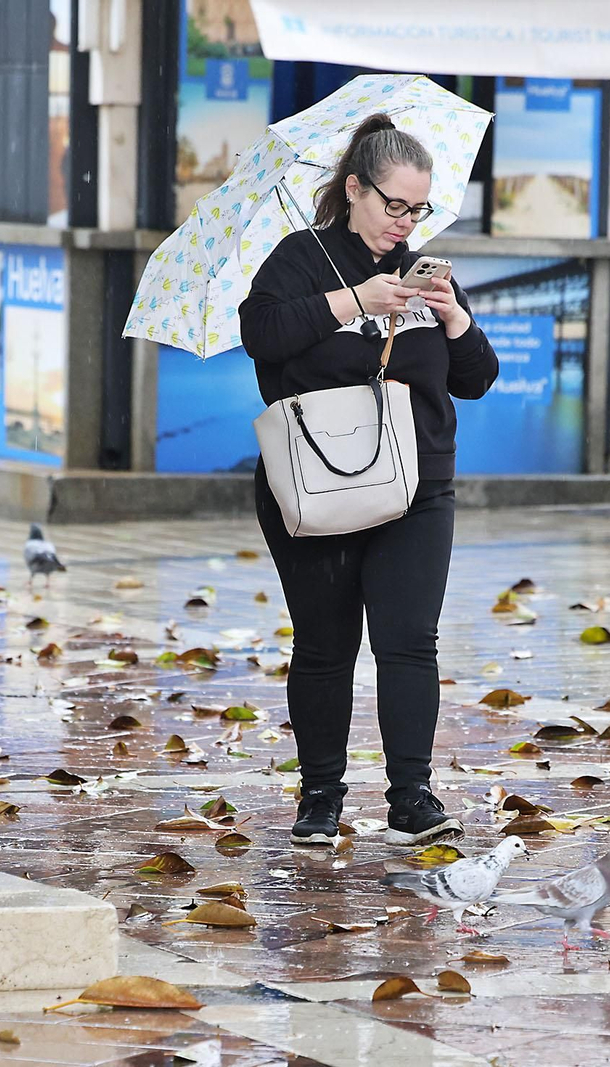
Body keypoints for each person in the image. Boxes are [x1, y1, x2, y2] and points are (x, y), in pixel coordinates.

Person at [239, 114, 500, 846]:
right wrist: (358, 302)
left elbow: (477, 380)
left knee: (409, 638)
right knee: (325, 643)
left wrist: (450, 318)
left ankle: (411, 794)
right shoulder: (300, 258)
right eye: (394, 205)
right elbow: (262, 337)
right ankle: (320, 794)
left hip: (418, 483)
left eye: (417, 209)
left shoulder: (426, 273)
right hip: (315, 479)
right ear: (354, 189)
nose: (405, 222)